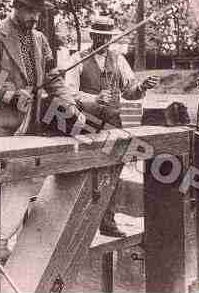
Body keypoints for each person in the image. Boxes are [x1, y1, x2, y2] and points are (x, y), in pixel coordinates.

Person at [0, 0, 79, 258]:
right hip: (2, 128)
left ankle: (14, 246)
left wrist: (69, 104)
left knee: (28, 185)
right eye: (30, 11)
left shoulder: (40, 39)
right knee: (5, 187)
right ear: (16, 7)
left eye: (38, 12)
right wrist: (10, 95)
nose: (34, 17)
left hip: (34, 126)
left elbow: (53, 79)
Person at [65, 15, 159, 237]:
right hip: (87, 123)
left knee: (113, 171)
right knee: (86, 172)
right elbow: (69, 93)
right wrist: (93, 98)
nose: (104, 41)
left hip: (114, 123)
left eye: (108, 37)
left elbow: (130, 90)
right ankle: (80, 227)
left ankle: (107, 222)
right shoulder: (78, 59)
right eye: (100, 36)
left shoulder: (118, 59)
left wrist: (142, 87)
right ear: (92, 35)